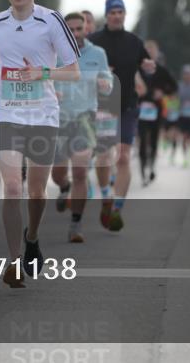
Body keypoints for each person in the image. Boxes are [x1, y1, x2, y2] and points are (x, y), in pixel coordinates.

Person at [0, 0, 80, 288]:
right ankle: (13, 260)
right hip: (6, 112)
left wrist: (42, 72)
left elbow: (74, 71)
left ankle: (32, 236)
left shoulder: (50, 21)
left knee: (36, 191)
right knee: (13, 187)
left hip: (43, 115)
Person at [88, 0, 156, 231]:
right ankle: (106, 194)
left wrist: (149, 68)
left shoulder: (135, 42)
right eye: (112, 12)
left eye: (120, 12)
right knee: (104, 156)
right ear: (107, 16)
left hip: (127, 105)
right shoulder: (93, 41)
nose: (117, 16)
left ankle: (117, 207)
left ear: (125, 15)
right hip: (102, 107)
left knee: (124, 156)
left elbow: (148, 67)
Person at [51, 12, 112, 243]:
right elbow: (41, 77)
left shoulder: (98, 54)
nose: (75, 33)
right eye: (71, 29)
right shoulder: (53, 53)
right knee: (57, 173)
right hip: (58, 119)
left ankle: (76, 223)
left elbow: (107, 83)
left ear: (86, 28)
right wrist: (50, 89)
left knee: (79, 170)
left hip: (85, 119)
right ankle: (63, 187)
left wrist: (105, 84)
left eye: (79, 28)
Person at [136, 40, 176, 185]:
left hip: (156, 109)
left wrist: (163, 92)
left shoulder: (161, 70)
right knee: (141, 140)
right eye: (147, 50)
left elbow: (173, 87)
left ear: (157, 54)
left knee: (153, 140)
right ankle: (142, 172)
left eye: (153, 51)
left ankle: (151, 167)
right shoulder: (137, 70)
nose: (150, 53)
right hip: (140, 109)